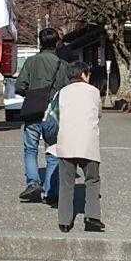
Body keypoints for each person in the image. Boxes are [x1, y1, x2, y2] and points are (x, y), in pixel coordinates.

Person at [15, 27, 72, 205]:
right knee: (53, 151)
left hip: (33, 111)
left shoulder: (31, 62)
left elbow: (19, 86)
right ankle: (51, 190)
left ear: (40, 42)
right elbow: (68, 91)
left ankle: (33, 183)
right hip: (54, 114)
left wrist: (33, 94)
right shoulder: (63, 65)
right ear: (57, 43)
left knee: (31, 149)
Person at [48, 61, 105, 233]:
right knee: (92, 180)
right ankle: (92, 217)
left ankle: (64, 222)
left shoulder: (61, 92)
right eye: (88, 74)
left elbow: (54, 115)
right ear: (83, 74)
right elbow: (99, 114)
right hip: (88, 142)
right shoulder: (94, 91)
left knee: (66, 183)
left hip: (66, 142)